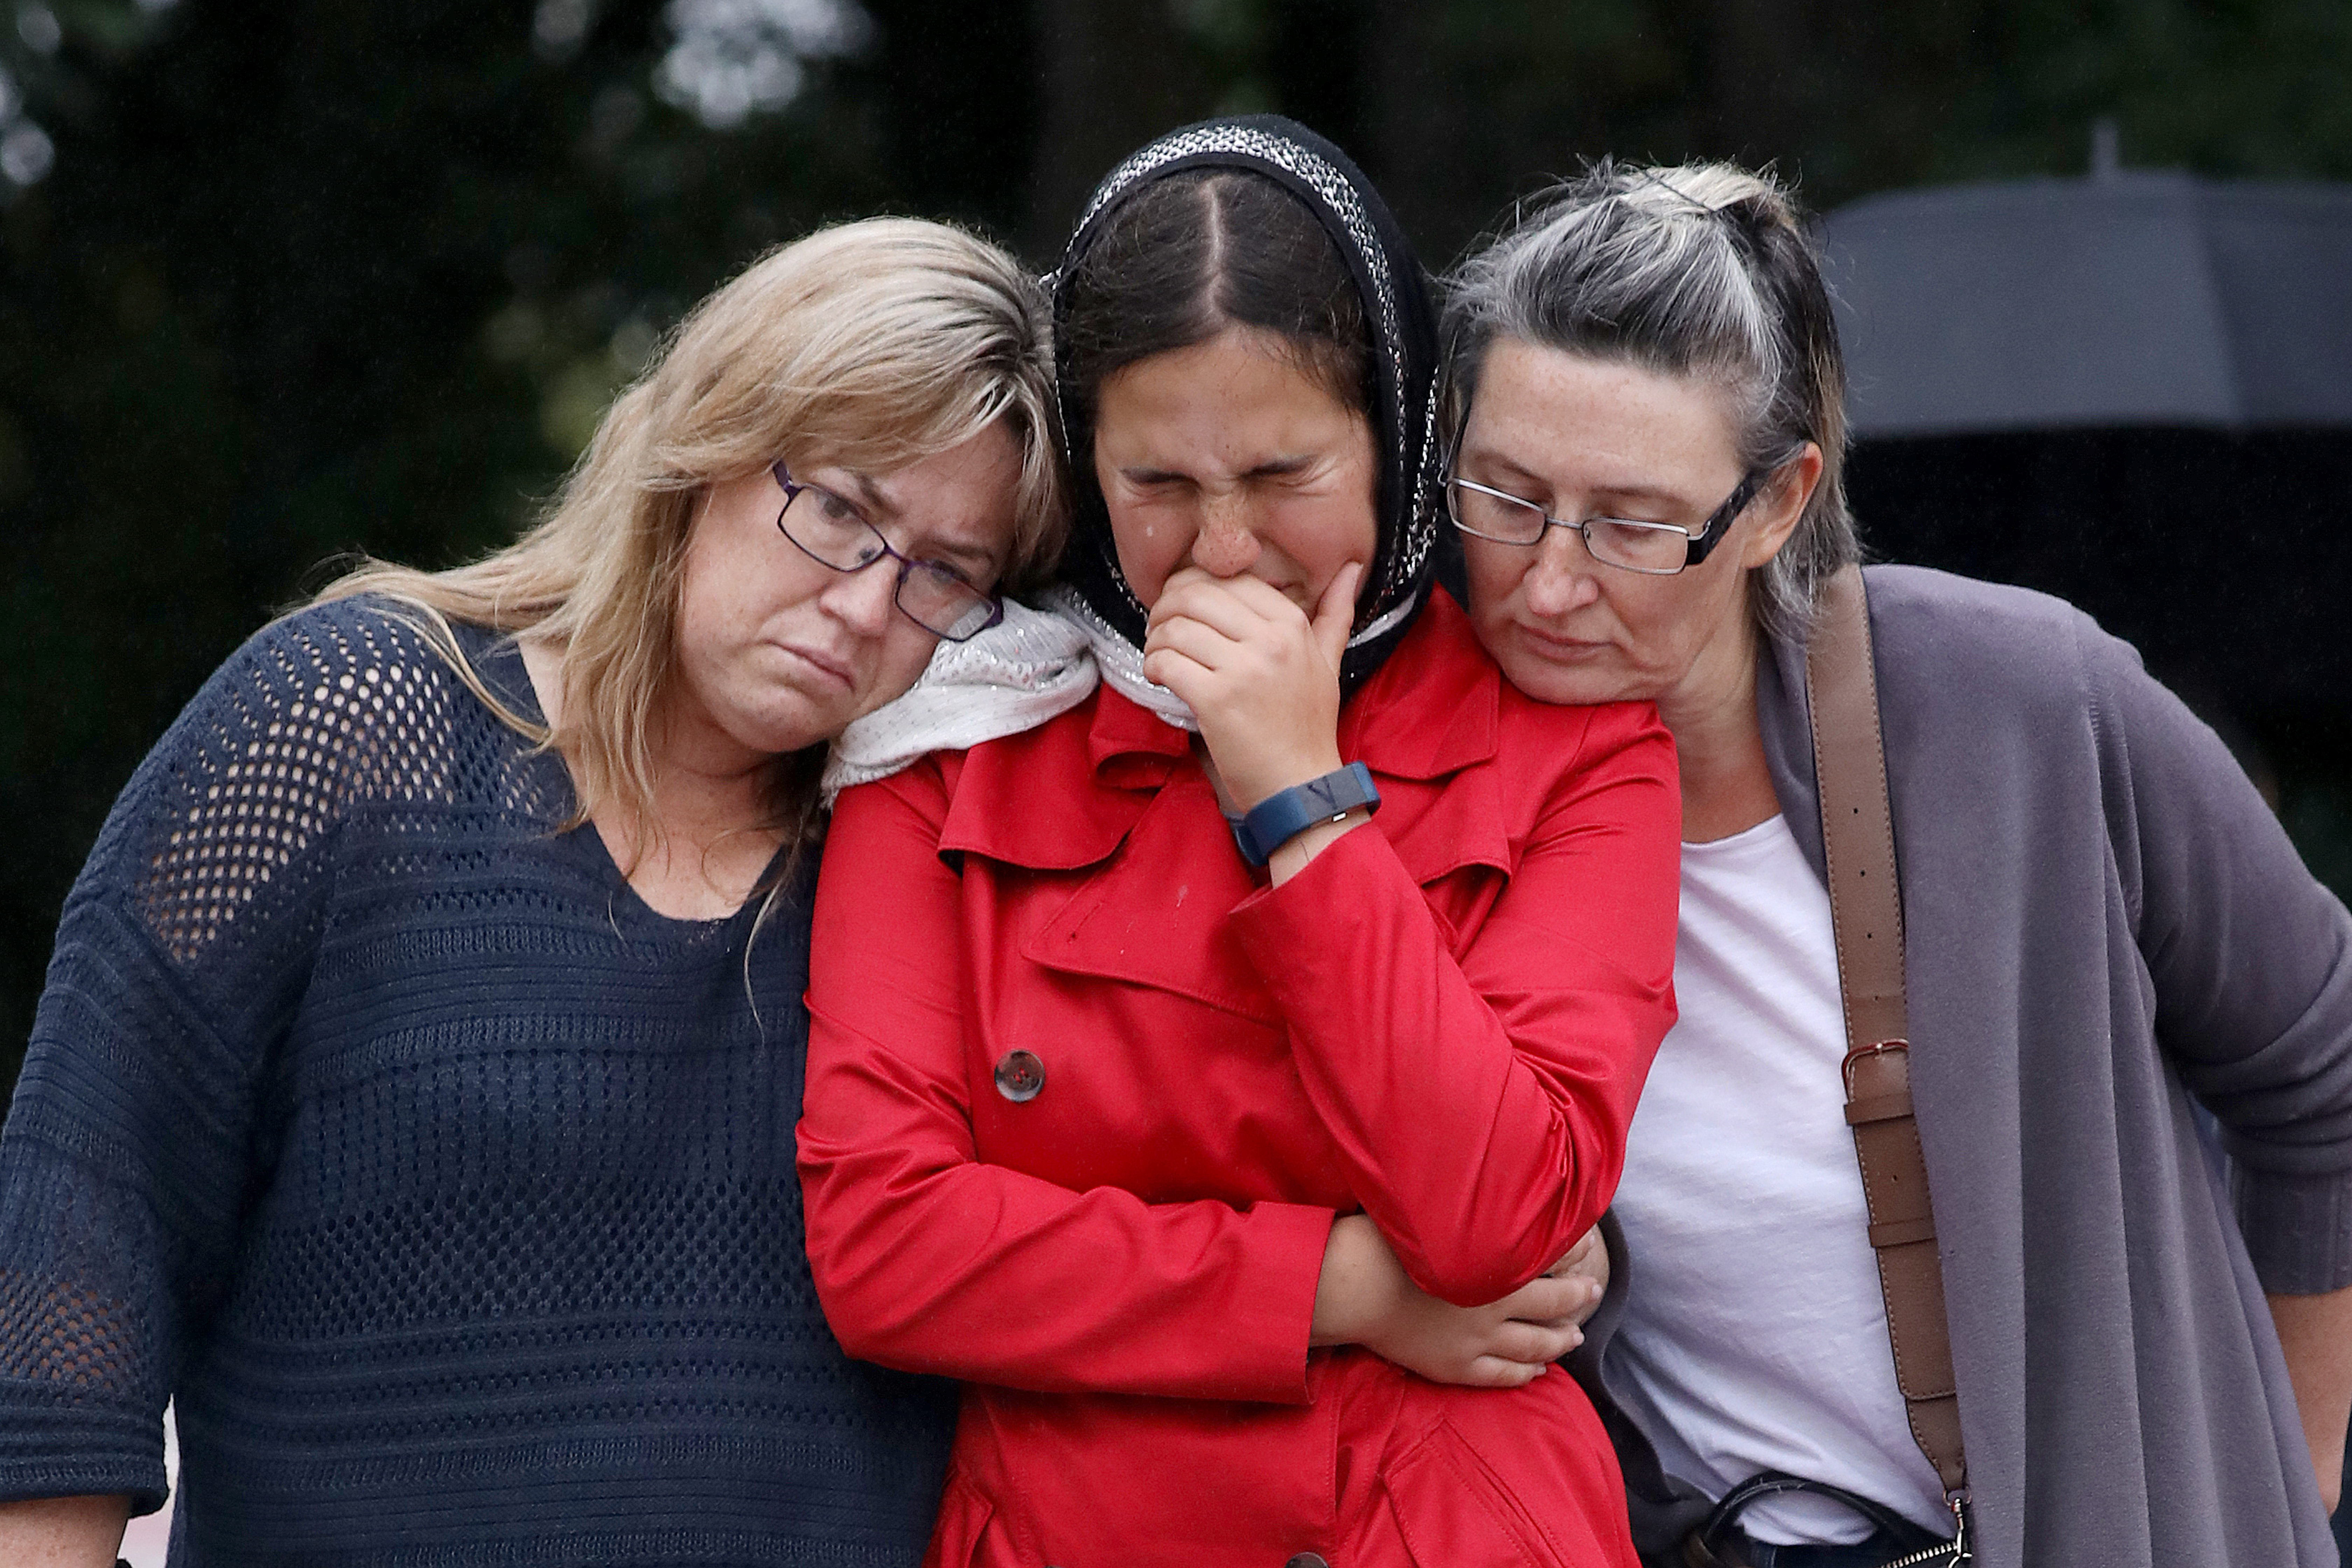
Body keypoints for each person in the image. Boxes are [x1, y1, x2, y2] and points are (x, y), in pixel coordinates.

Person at [0, 217, 1064, 1566]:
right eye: (843, 510)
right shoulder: (352, 724)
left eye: (945, 573)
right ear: (708, 446)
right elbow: (83, 1207)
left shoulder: (935, 869)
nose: (865, 607)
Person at [1438, 160, 2352, 1568]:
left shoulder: (2013, 701)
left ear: (1777, 503)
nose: (1550, 582)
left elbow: (2323, 1056)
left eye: (1630, 524)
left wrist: (2285, 1482)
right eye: (1504, 496)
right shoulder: (1410, 801)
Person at [795, 117, 1681, 1567]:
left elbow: (1496, 1219)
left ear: (1400, 440)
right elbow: (888, 1247)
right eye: (1156, 486)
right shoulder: (954, 739)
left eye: (1281, 478)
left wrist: (1299, 797)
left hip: (1444, 1521)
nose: (1220, 553)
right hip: (1074, 1526)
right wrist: (1339, 1288)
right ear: (1085, 473)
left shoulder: (1574, 754)